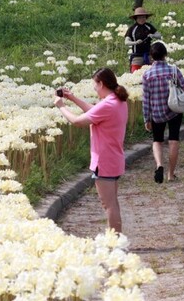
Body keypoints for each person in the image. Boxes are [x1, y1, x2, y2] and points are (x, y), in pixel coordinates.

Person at [55, 68, 129, 233]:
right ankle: (115, 237)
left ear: (101, 84)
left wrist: (61, 107)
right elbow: (94, 111)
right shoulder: (118, 101)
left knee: (108, 205)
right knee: (112, 202)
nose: (94, 89)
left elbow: (77, 122)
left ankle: (115, 241)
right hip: (114, 159)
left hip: (104, 161)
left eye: (95, 85)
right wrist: (73, 98)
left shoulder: (109, 104)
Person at [142, 42, 184, 183]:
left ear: (151, 57)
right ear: (165, 55)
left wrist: (146, 118)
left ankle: (159, 165)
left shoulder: (147, 75)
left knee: (157, 140)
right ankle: (170, 174)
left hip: (156, 112)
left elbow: (146, 99)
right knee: (173, 140)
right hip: (174, 110)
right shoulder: (173, 71)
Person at [125, 7, 162, 73]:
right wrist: (135, 42)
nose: (142, 19)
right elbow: (126, 42)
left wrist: (153, 35)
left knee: (152, 72)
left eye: (144, 17)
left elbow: (159, 35)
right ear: (136, 18)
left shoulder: (149, 26)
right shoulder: (132, 28)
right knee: (135, 73)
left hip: (149, 55)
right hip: (137, 56)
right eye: (140, 17)